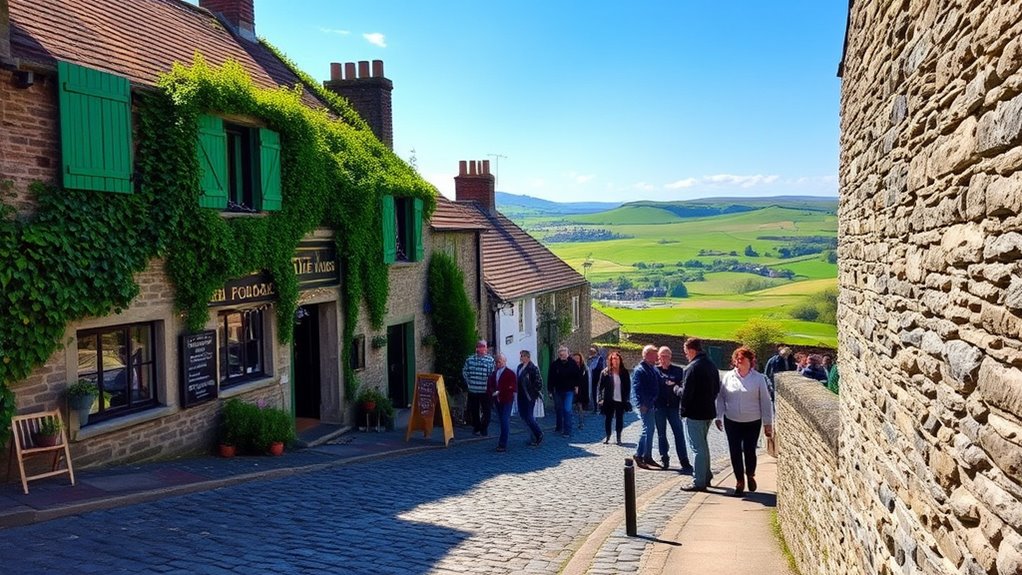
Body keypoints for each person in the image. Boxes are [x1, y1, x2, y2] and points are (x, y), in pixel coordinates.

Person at [715, 347, 774, 496]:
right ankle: (739, 481)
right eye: (737, 359)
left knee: (749, 450)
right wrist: (719, 416)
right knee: (734, 451)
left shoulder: (758, 378)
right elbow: (721, 397)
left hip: (752, 421)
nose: (739, 361)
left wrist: (768, 424)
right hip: (732, 420)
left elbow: (766, 402)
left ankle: (750, 474)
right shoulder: (728, 377)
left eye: (742, 359)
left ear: (750, 361)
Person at [678, 337, 721, 491]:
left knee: (698, 448)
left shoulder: (692, 367)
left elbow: (687, 393)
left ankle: (699, 481)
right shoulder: (711, 365)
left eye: (685, 352)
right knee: (703, 446)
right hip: (708, 411)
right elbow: (717, 388)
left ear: (691, 350)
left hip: (694, 413)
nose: (685, 355)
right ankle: (706, 476)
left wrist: (676, 390)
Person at [654, 346, 692, 472]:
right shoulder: (655, 371)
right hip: (659, 406)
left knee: (679, 433)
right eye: (662, 356)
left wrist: (674, 385)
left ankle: (684, 460)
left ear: (670, 357)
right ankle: (664, 458)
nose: (664, 358)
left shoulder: (678, 370)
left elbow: (683, 386)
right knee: (661, 434)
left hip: (674, 407)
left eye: (666, 356)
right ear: (658, 357)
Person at [630, 344, 661, 469]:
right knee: (646, 430)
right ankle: (639, 455)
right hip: (645, 405)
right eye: (655, 354)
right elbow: (637, 389)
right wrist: (641, 404)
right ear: (648, 355)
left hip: (651, 404)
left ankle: (647, 456)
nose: (657, 357)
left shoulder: (652, 368)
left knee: (650, 430)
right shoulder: (640, 370)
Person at [462, 340, 495, 436]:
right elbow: (465, 372)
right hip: (473, 390)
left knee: (487, 411)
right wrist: (469, 383)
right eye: (480, 346)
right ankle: (477, 427)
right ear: (477, 348)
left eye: (484, 346)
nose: (482, 348)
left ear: (486, 348)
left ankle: (484, 428)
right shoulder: (470, 360)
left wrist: (489, 385)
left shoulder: (490, 360)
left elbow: (492, 374)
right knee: (474, 410)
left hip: (485, 391)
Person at [597, 351, 630, 444]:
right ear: (610, 361)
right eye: (613, 359)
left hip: (620, 399)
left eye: (616, 359)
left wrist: (627, 399)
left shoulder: (624, 372)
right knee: (608, 418)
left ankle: (619, 438)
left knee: (619, 418)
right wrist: (600, 399)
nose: (615, 361)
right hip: (608, 399)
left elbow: (628, 387)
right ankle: (608, 436)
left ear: (620, 360)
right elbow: (600, 387)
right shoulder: (605, 372)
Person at [547, 345, 580, 437]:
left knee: (567, 409)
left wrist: (577, 386)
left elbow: (577, 376)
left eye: (564, 351)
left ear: (567, 353)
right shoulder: (554, 364)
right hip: (558, 390)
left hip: (569, 390)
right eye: (560, 352)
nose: (562, 353)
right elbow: (550, 378)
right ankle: (559, 426)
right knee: (558, 409)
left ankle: (567, 430)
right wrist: (550, 390)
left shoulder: (572, 363)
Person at [488, 353, 518, 452]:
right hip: (497, 400)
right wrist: (493, 392)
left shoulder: (510, 373)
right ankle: (502, 438)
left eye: (500, 361)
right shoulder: (494, 373)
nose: (498, 363)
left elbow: (512, 387)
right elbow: (491, 385)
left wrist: (500, 391)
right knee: (501, 420)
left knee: (504, 419)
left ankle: (502, 443)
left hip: (507, 399)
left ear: (504, 362)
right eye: (496, 362)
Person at [516, 349, 544, 446]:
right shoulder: (519, 367)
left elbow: (539, 383)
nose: (521, 357)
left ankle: (539, 434)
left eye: (522, 355)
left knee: (529, 416)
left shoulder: (533, 368)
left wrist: (533, 393)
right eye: (520, 355)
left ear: (527, 357)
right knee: (523, 415)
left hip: (529, 396)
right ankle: (533, 434)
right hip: (521, 395)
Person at [571, 352, 590, 430]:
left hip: (581, 390)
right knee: (570, 407)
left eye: (578, 358)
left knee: (580, 406)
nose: (576, 360)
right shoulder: (570, 367)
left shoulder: (584, 368)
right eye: (575, 358)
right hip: (571, 389)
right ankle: (570, 422)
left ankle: (581, 422)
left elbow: (585, 381)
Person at [587, 346, 606, 414]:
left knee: (598, 393)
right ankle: (594, 407)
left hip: (598, 379)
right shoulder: (589, 360)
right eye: (591, 352)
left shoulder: (600, 359)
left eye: (593, 352)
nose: (592, 354)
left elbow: (601, 368)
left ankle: (599, 408)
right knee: (593, 393)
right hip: (591, 379)